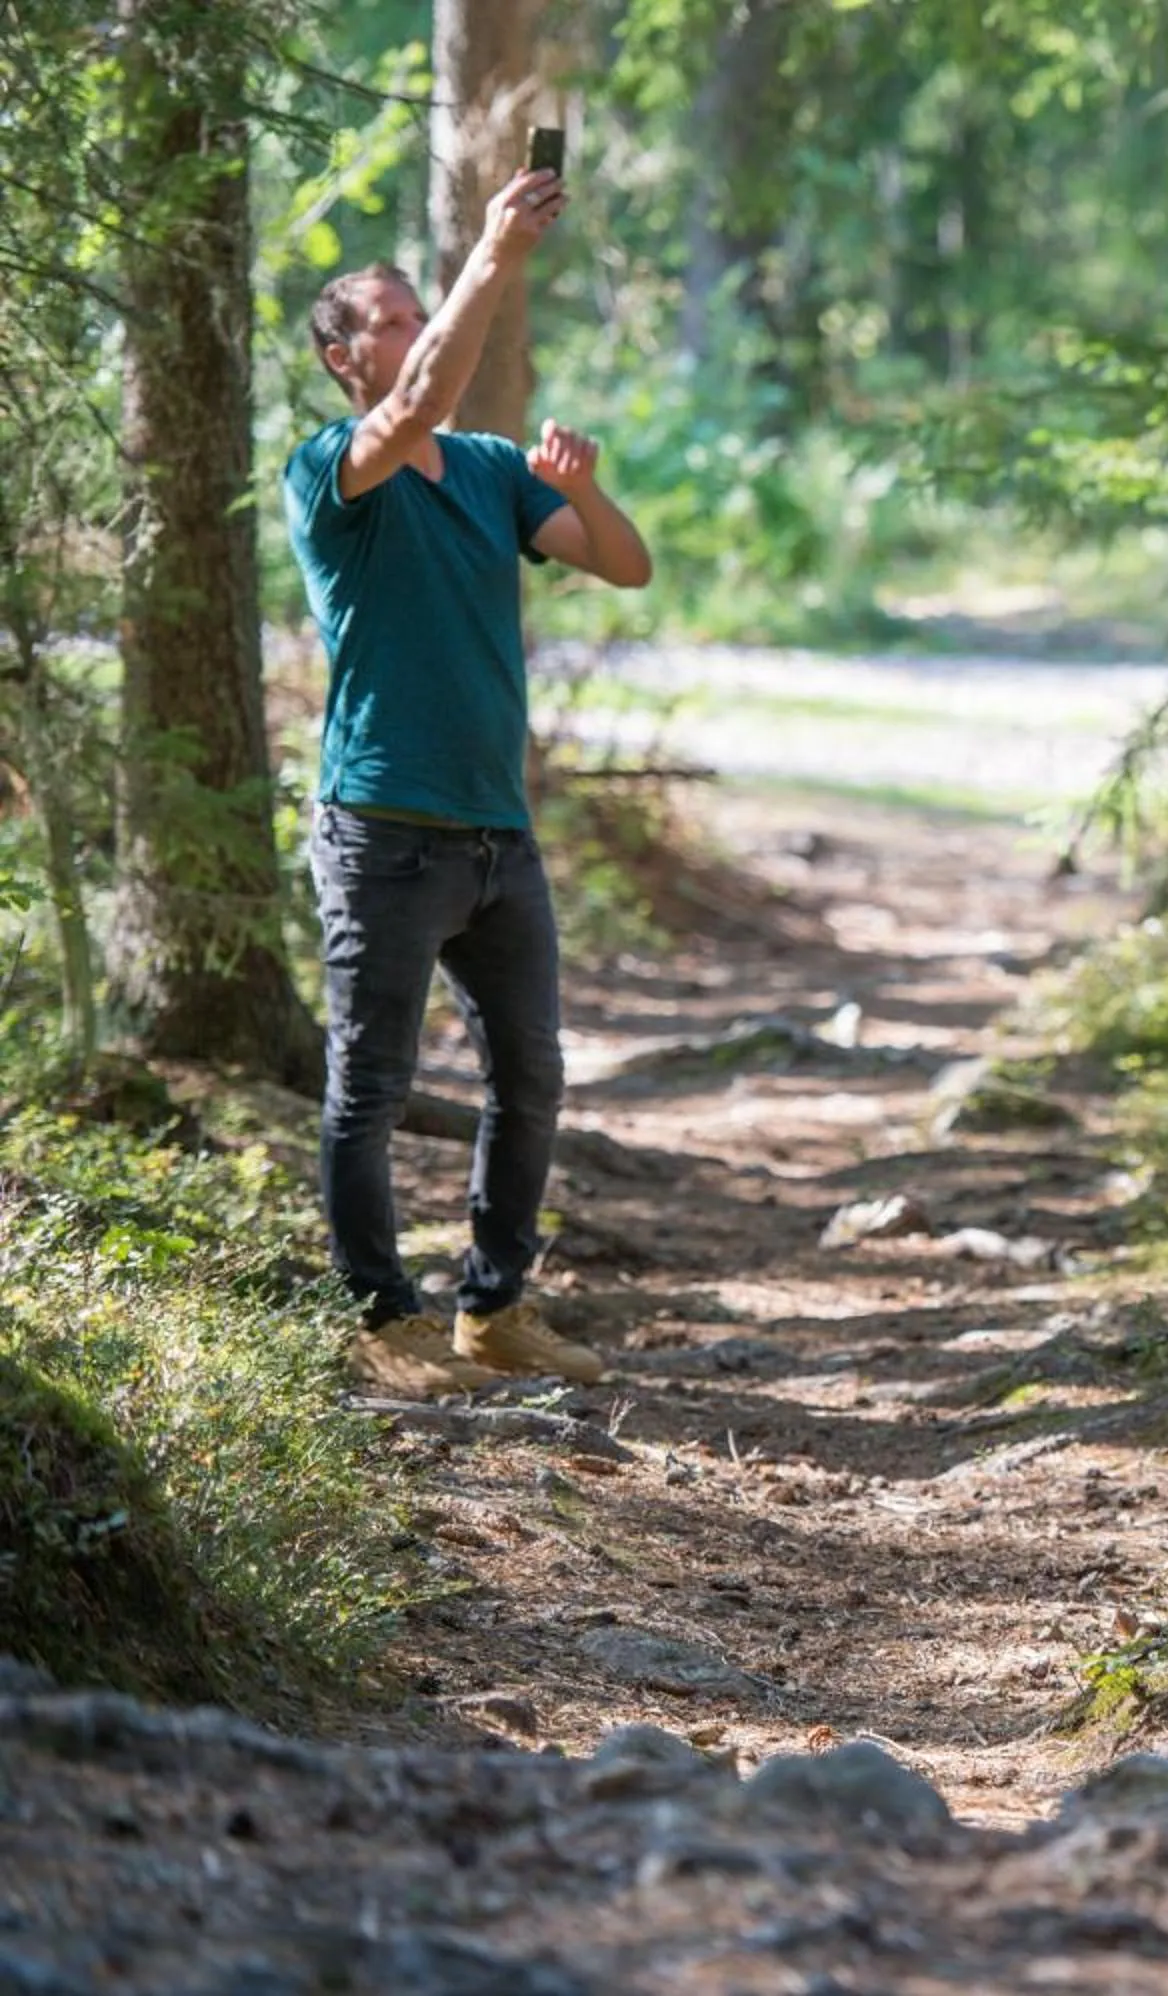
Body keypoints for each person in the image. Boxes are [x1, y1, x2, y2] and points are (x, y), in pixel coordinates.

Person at [284, 167, 653, 1396]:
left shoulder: (493, 470)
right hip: (382, 827)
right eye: (388, 320)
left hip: (498, 832)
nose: (410, 330)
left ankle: (492, 1311)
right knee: (371, 1085)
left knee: (531, 1077)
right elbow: (423, 396)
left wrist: (582, 487)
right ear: (344, 359)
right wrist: (494, 257)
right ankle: (379, 1317)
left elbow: (626, 566)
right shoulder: (334, 469)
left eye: (414, 311)